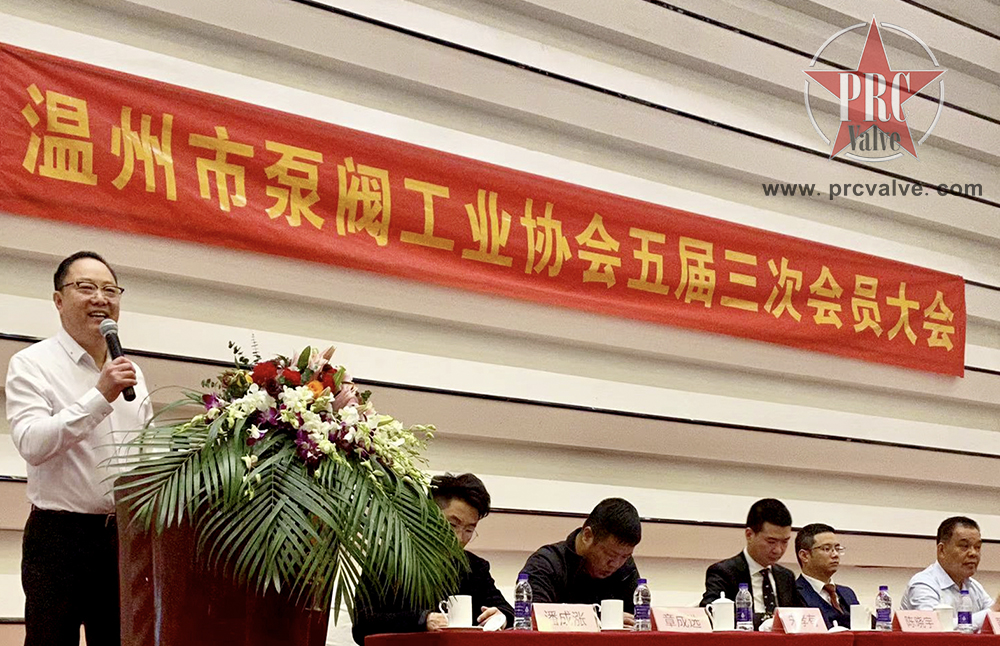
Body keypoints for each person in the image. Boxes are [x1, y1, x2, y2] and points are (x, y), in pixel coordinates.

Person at [5, 251, 152, 646]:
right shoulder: (32, 364)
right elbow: (33, 443)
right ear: (58, 300)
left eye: (110, 290)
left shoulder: (132, 372)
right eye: (85, 288)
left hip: (121, 538)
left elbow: (144, 454)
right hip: (58, 539)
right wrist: (100, 395)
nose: (100, 298)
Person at [351, 473, 513, 643]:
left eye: (469, 530)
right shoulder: (389, 560)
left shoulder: (474, 567)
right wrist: (422, 620)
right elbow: (362, 625)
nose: (459, 537)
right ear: (429, 516)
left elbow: (507, 611)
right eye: (452, 525)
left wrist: (501, 617)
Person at [520, 498, 641, 627]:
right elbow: (537, 620)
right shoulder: (545, 564)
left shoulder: (625, 567)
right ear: (587, 536)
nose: (615, 564)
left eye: (625, 556)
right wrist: (601, 620)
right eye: (610, 555)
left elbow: (640, 619)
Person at [700, 498, 801, 627]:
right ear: (749, 535)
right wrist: (766, 620)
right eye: (771, 542)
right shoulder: (723, 572)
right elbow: (711, 614)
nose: (778, 550)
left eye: (785, 542)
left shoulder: (786, 577)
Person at [901, 516, 1000, 631]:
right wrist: (993, 611)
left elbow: (995, 620)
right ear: (942, 550)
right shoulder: (922, 584)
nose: (973, 553)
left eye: (977, 547)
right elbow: (935, 628)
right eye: (964, 546)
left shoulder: (974, 587)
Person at [794, 523, 859, 628]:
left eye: (837, 549)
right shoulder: (792, 593)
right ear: (804, 556)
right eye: (826, 549)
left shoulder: (847, 593)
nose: (835, 555)